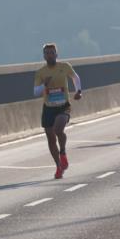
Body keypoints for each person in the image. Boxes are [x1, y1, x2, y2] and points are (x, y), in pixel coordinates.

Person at [33, 43, 82, 179]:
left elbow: (75, 78)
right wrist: (45, 85)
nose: (50, 55)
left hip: (63, 105)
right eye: (47, 53)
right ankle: (58, 166)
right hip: (48, 107)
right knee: (50, 139)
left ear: (56, 54)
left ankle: (63, 152)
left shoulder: (64, 66)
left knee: (58, 130)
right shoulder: (40, 73)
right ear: (44, 56)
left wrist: (78, 91)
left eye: (52, 52)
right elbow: (35, 92)